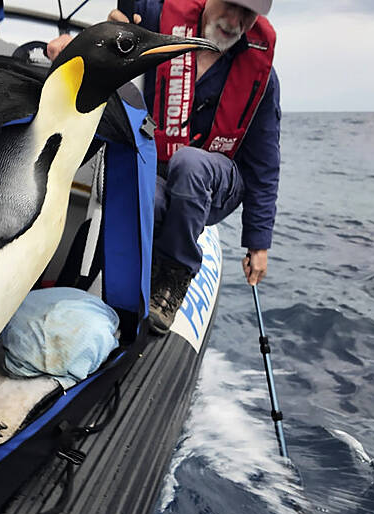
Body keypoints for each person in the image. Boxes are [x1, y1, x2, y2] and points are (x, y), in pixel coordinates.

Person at [49, 0, 280, 335]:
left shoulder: (262, 75)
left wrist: (258, 244)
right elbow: (123, 19)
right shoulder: (159, 19)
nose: (235, 21)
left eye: (248, 13)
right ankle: (122, 286)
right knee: (147, 196)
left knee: (190, 162)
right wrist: (83, 44)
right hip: (159, 170)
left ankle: (175, 275)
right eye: (230, 6)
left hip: (218, 182)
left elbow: (264, 163)